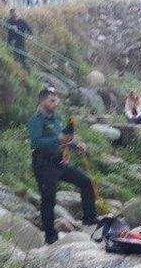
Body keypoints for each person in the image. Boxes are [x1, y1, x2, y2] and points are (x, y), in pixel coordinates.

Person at [28, 88, 99, 244]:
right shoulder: (36, 120)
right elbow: (36, 142)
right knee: (49, 199)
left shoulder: (58, 118)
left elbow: (64, 139)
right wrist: (58, 140)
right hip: (43, 163)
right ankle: (50, 236)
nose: (55, 103)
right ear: (42, 101)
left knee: (86, 182)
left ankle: (90, 220)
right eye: (51, 101)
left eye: (56, 100)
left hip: (59, 162)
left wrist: (75, 145)